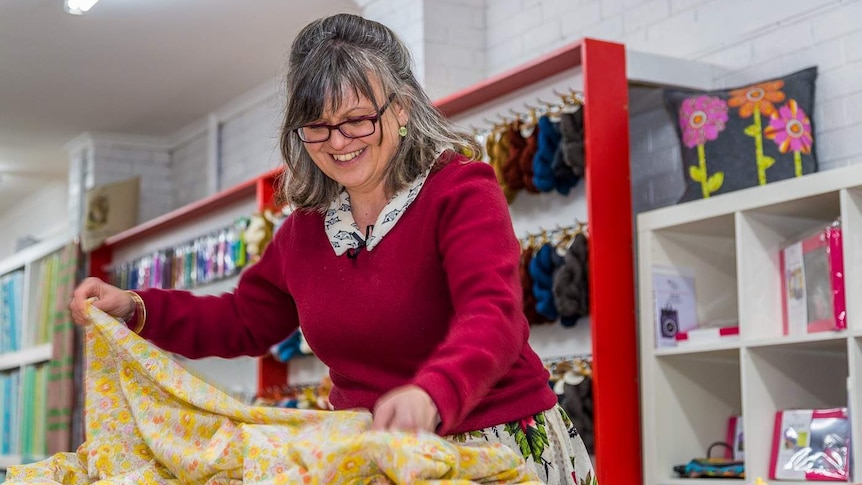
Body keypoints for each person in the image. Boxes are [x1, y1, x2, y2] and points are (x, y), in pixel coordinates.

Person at [70, 13, 595, 484]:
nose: (339, 142)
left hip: (496, 445)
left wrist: (431, 394)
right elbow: (242, 319)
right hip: (370, 456)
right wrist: (134, 308)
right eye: (317, 128)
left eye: (356, 120)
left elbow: (492, 315)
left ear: (403, 109)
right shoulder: (304, 233)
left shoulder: (460, 192)